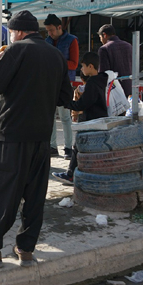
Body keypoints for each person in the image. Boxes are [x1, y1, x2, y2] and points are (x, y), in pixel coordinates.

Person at [0, 10, 72, 268]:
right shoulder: (56, 54)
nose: (11, 36)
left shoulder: (14, 51)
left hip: (13, 135)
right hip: (42, 136)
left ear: (18, 32)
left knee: (4, 192)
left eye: (11, 32)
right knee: (35, 194)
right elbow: (65, 99)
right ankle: (26, 248)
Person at [51, 52, 111, 185]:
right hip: (97, 119)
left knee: (77, 146)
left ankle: (71, 174)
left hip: (91, 121)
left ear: (90, 66)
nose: (81, 69)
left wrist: (66, 103)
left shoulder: (92, 84)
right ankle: (75, 173)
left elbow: (83, 104)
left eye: (83, 66)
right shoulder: (101, 80)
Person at [44, 14, 79, 159]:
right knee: (50, 116)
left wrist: (56, 63)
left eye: (51, 30)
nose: (50, 33)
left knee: (65, 117)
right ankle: (52, 147)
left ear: (60, 27)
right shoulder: (46, 41)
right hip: (49, 82)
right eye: (48, 31)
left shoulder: (72, 40)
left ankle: (68, 147)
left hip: (65, 83)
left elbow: (74, 64)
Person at [98, 24, 133, 97]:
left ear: (104, 35)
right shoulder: (128, 46)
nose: (101, 40)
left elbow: (103, 73)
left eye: (100, 37)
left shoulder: (104, 49)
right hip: (129, 87)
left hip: (113, 91)